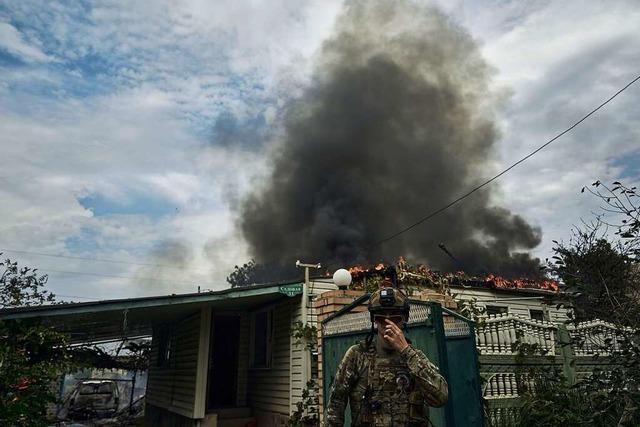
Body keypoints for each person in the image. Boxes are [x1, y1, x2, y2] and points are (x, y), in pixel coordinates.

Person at [323, 285, 448, 426]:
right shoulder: (357, 355)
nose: (388, 325)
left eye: (395, 319)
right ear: (374, 320)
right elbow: (335, 405)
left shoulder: (415, 358)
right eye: (381, 319)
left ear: (404, 319)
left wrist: (406, 351)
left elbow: (440, 397)